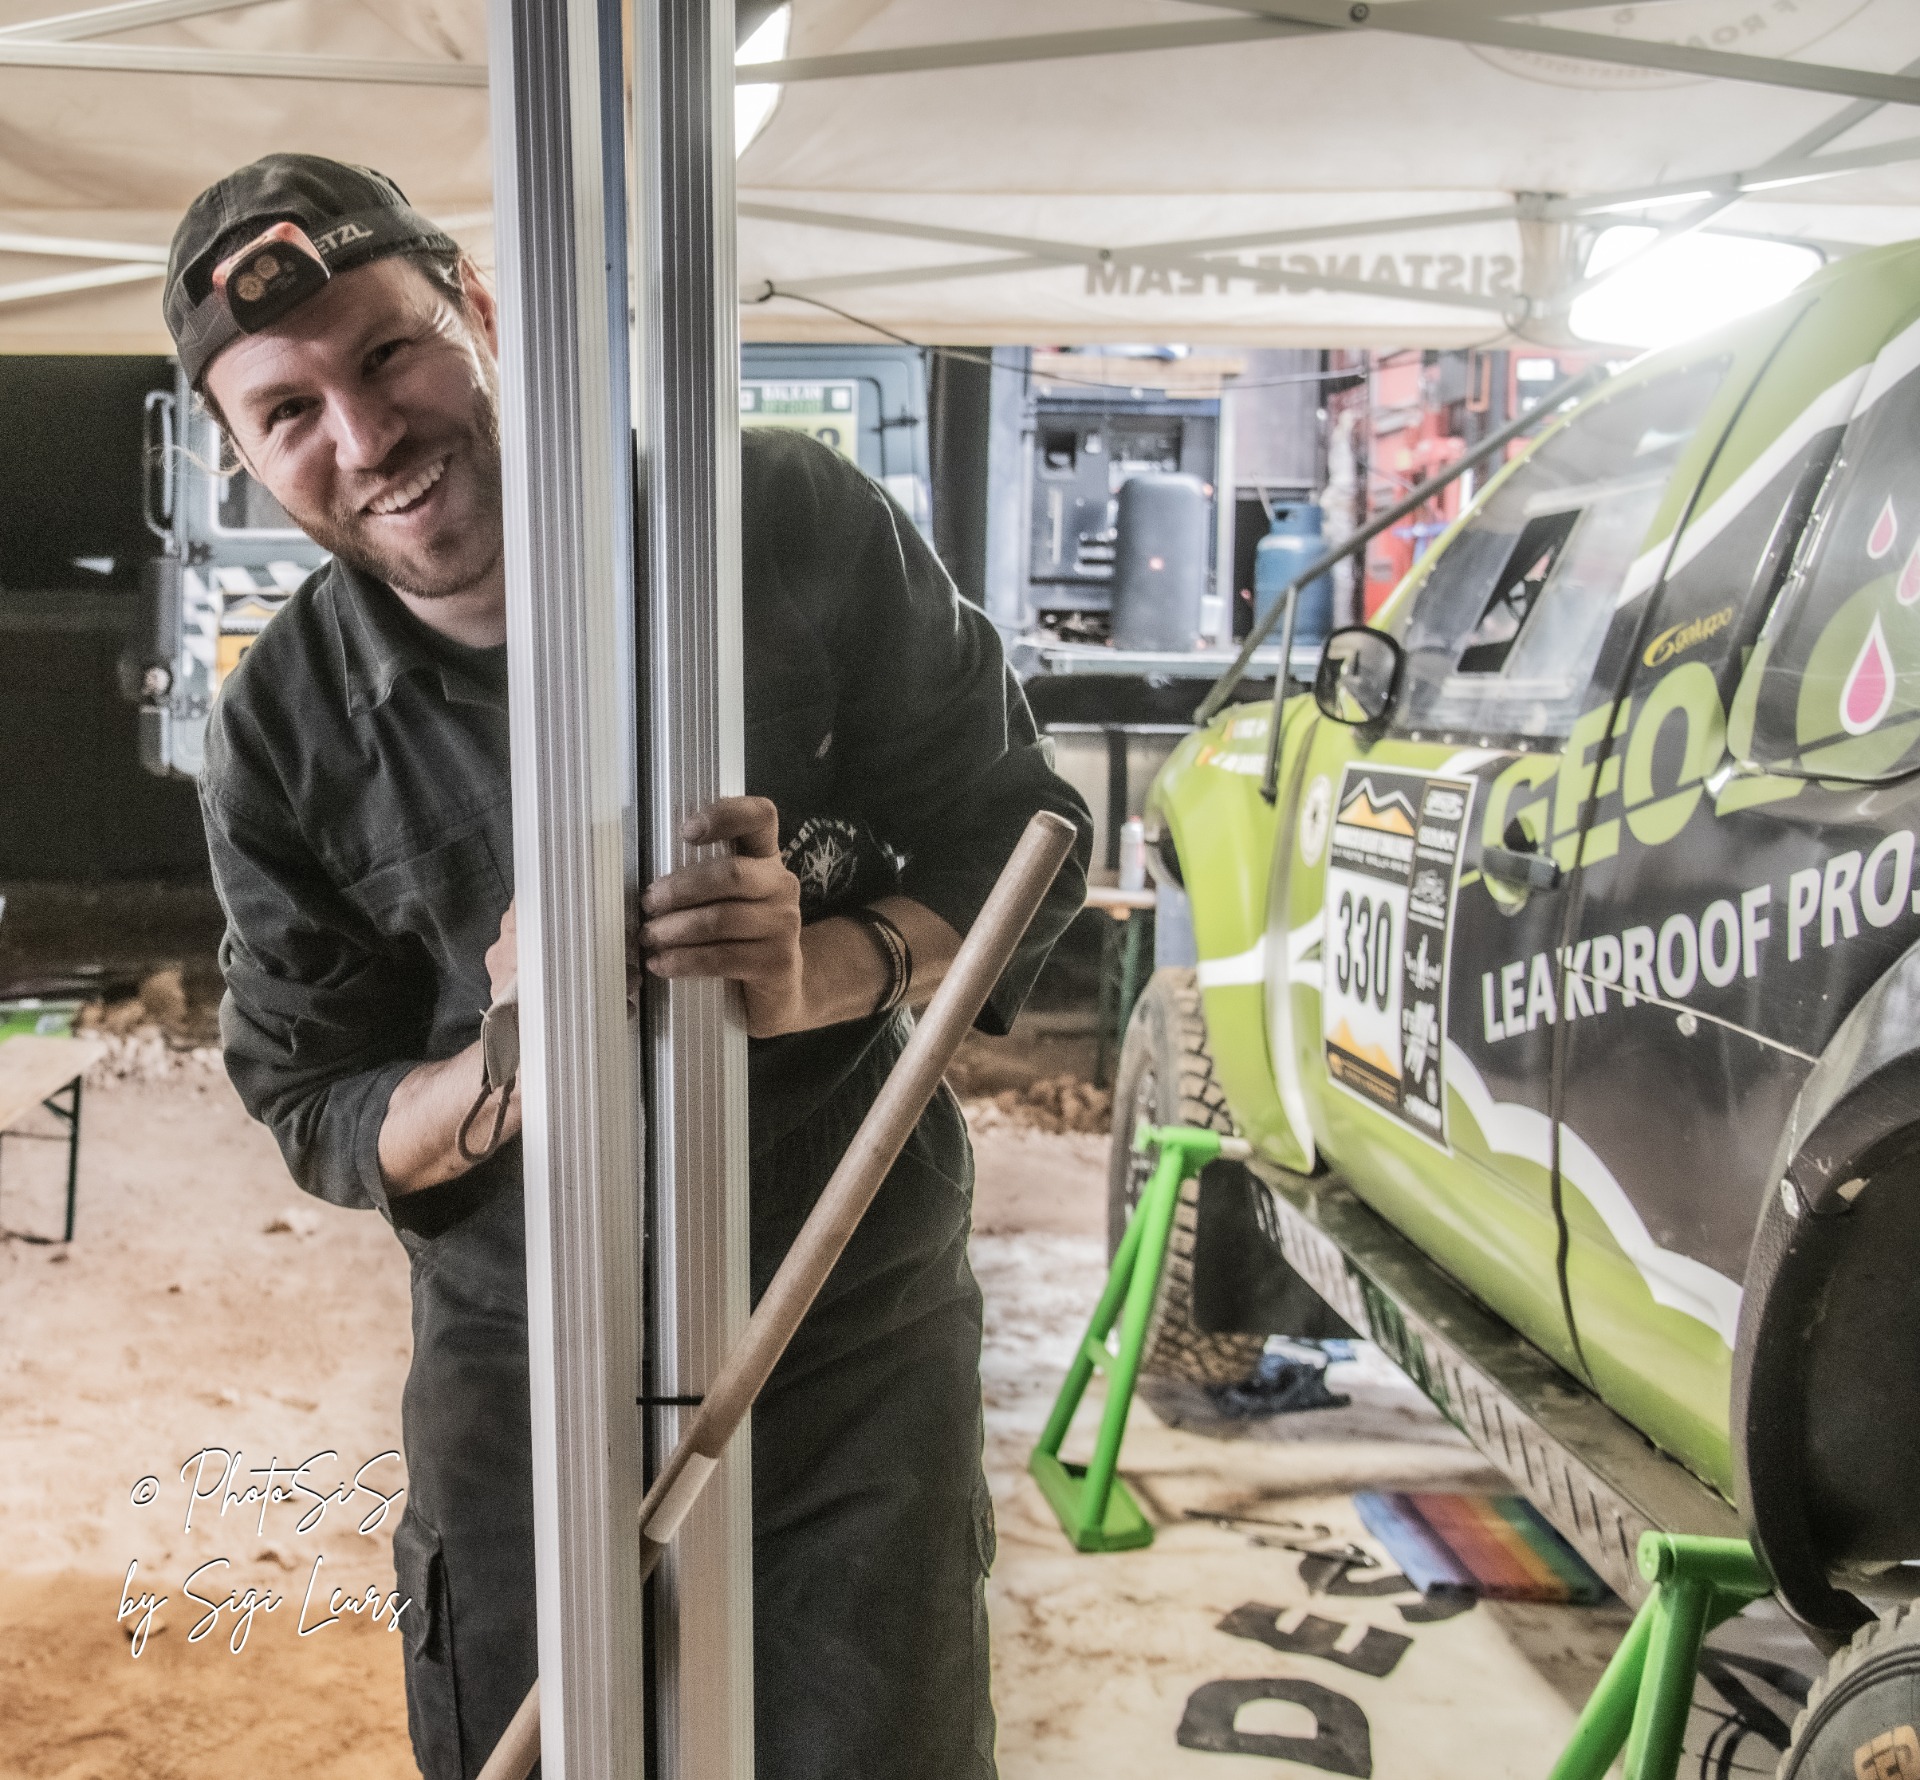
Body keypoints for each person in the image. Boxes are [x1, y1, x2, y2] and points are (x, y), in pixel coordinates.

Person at [163, 154, 1091, 1780]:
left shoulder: (782, 521)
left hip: (842, 1341)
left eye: (388, 352)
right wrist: (511, 1061)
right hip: (526, 1374)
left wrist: (822, 968)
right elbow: (314, 1103)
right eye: (289, 411)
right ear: (239, 454)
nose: (366, 437)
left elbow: (1021, 839)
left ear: (480, 311)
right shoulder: (283, 726)